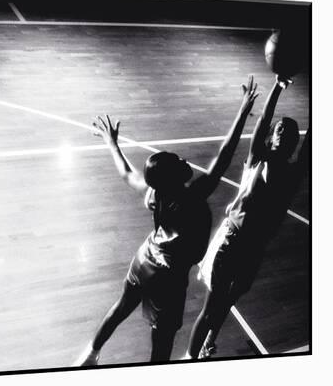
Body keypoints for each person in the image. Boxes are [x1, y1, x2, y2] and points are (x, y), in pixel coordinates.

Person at [74, 76, 260, 365]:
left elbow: (127, 173)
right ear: (174, 177)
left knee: (121, 308)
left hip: (144, 259)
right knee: (161, 345)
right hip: (168, 279)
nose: (185, 161)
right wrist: (242, 110)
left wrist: (112, 143)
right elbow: (225, 154)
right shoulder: (193, 196)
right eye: (179, 162)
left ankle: (90, 354)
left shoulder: (155, 193)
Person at [186, 75, 310, 359]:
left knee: (230, 298)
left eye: (290, 132)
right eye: (280, 128)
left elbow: (310, 147)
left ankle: (209, 342)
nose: (283, 132)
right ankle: (189, 362)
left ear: (294, 142)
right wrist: (277, 88)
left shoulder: (293, 174)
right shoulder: (258, 158)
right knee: (210, 306)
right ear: (272, 135)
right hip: (231, 239)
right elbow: (264, 120)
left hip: (254, 248)